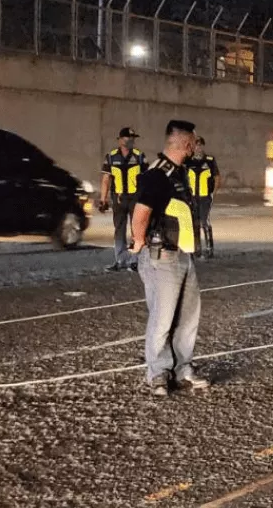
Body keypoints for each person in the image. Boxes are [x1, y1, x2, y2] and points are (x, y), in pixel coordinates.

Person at [130, 120, 209, 397]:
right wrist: (138, 241)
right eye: (195, 142)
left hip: (183, 255)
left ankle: (182, 370)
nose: (196, 147)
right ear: (186, 144)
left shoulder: (179, 172)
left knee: (187, 318)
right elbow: (141, 213)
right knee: (162, 319)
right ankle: (158, 373)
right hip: (161, 256)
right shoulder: (158, 175)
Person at [98, 127, 147, 272]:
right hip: (119, 199)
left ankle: (134, 261)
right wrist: (103, 199)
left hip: (136, 199)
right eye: (128, 138)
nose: (131, 140)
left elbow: (147, 179)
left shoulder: (139, 156)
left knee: (136, 230)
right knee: (119, 230)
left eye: (133, 138)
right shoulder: (112, 157)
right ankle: (120, 260)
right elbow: (106, 179)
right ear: (120, 140)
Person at [185, 136, 220, 259]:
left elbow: (216, 177)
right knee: (194, 223)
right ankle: (196, 249)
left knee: (205, 222)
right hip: (193, 197)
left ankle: (209, 249)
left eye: (200, 145)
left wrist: (213, 193)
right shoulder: (188, 161)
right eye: (196, 145)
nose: (198, 148)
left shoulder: (209, 160)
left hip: (205, 196)